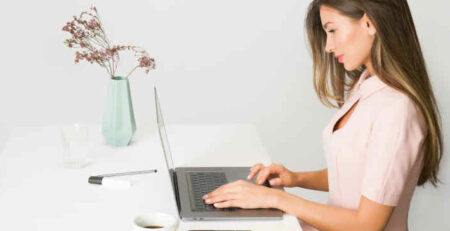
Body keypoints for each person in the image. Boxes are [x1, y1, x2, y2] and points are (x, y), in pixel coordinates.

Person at [202, 0, 444, 230]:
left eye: (332, 30)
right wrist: (294, 178)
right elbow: (356, 174)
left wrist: (277, 200)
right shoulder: (365, 86)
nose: (328, 46)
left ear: (370, 23)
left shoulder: (397, 110)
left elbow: (368, 225)